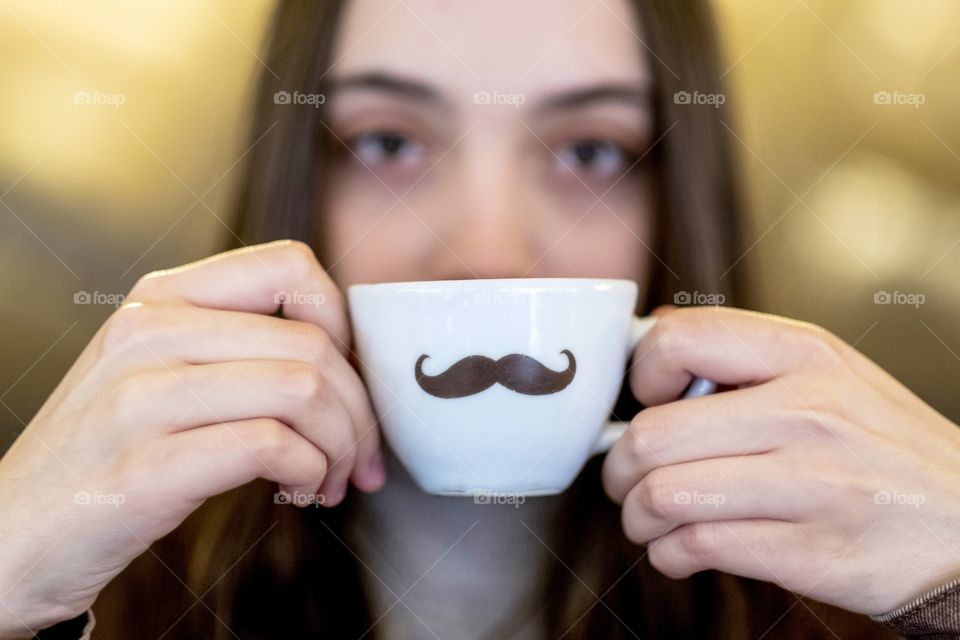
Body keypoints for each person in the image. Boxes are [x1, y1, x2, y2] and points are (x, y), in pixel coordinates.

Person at [2, 1, 958, 638]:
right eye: (387, 141)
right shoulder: (98, 590)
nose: (491, 254)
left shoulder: (863, 594)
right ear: (294, 189)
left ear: (676, 207)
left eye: (591, 151)